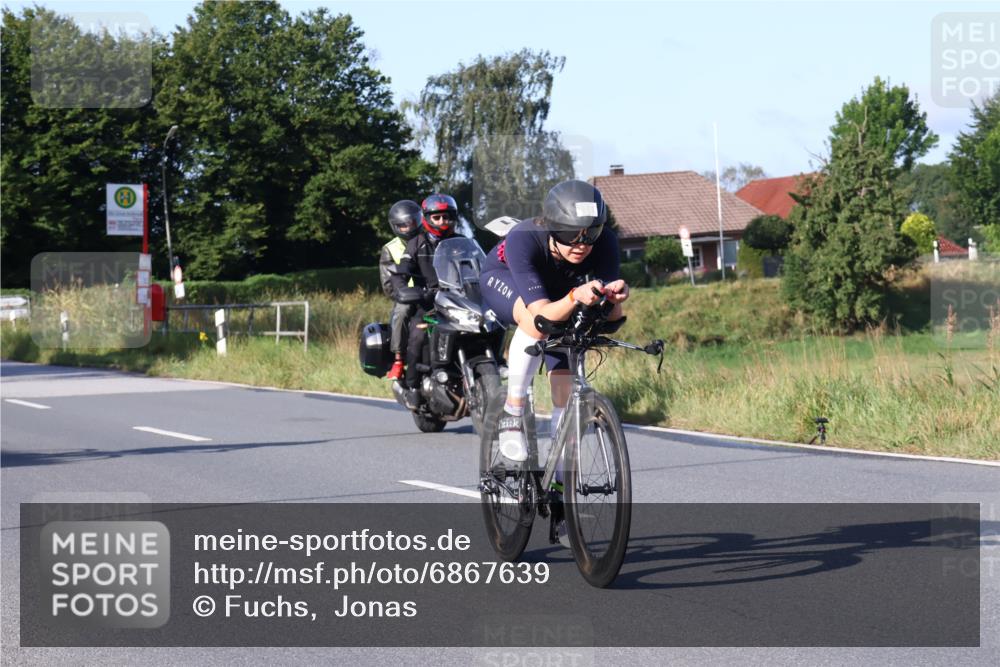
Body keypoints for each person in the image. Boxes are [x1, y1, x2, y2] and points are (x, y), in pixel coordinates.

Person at [480, 180, 629, 464]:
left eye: (590, 234)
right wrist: (574, 296)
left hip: (560, 290)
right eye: (570, 233)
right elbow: (540, 316)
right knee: (533, 322)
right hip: (506, 278)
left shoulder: (605, 242)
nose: (581, 244)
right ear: (551, 226)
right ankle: (513, 411)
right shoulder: (524, 238)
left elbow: (611, 319)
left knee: (567, 354)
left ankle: (559, 471)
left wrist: (616, 298)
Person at [389, 193, 460, 407]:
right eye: (437, 217)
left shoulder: (462, 242)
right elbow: (402, 272)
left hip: (459, 302)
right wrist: (406, 291)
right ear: (427, 218)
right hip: (430, 305)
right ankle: (412, 387)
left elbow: (481, 267)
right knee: (418, 336)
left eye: (446, 217)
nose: (442, 222)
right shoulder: (417, 243)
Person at [379, 200, 423, 380]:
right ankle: (398, 358)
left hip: (434, 292)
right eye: (403, 226)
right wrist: (405, 293)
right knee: (402, 311)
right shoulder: (390, 249)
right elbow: (388, 285)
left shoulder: (429, 240)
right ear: (395, 227)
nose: (408, 228)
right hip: (409, 296)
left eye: (411, 222)